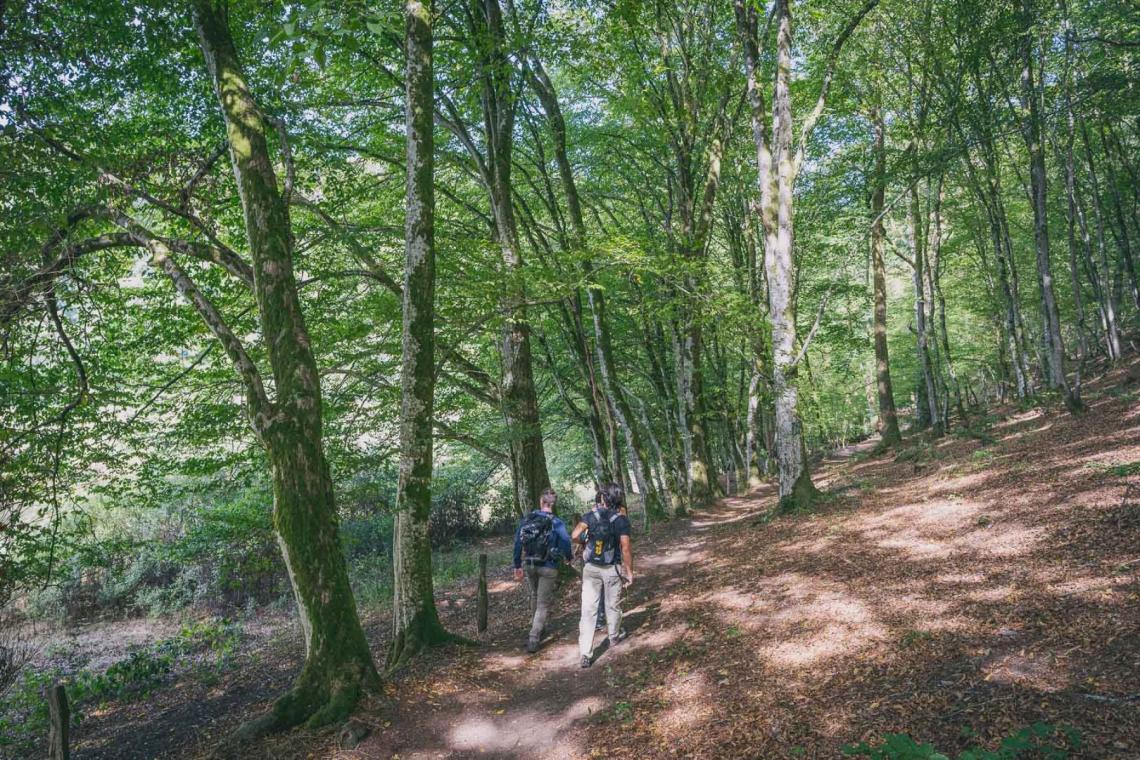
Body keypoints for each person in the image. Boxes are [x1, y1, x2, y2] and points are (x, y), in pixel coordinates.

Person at [571, 482, 633, 668]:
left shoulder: (590, 516)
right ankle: (613, 637)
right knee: (612, 605)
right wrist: (629, 572)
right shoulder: (621, 519)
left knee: (588, 610)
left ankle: (585, 653)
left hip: (590, 568)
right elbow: (626, 548)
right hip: (611, 569)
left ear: (603, 499)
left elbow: (574, 535)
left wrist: (584, 541)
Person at [513, 487, 572, 654]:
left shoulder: (527, 519)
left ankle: (537, 627)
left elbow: (518, 542)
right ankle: (534, 636)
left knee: (534, 595)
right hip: (549, 566)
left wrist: (517, 565)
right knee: (542, 602)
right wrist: (568, 557)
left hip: (530, 564)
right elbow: (566, 541)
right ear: (553, 504)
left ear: (541, 502)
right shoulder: (556, 521)